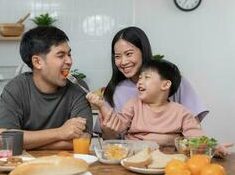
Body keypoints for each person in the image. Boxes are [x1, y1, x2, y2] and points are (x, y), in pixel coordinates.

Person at [87, 59, 232, 156]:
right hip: (133, 157)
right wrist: (101, 105)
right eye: (140, 77)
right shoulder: (133, 104)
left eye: (147, 77)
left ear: (165, 85)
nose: (140, 81)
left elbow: (196, 137)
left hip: (167, 160)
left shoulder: (181, 112)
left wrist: (214, 147)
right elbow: (117, 124)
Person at [94, 26, 208, 138]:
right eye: (117, 56)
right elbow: (110, 138)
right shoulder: (115, 91)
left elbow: (194, 132)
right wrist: (108, 128)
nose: (123, 62)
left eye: (129, 54)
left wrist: (167, 140)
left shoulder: (174, 82)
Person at [0, 26, 93, 150]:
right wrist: (60, 133)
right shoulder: (16, 88)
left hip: (66, 165)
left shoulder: (78, 87)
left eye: (69, 54)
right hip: (23, 166)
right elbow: (3, 141)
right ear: (37, 62)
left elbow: (83, 140)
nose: (69, 61)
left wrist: (25, 144)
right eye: (61, 55)